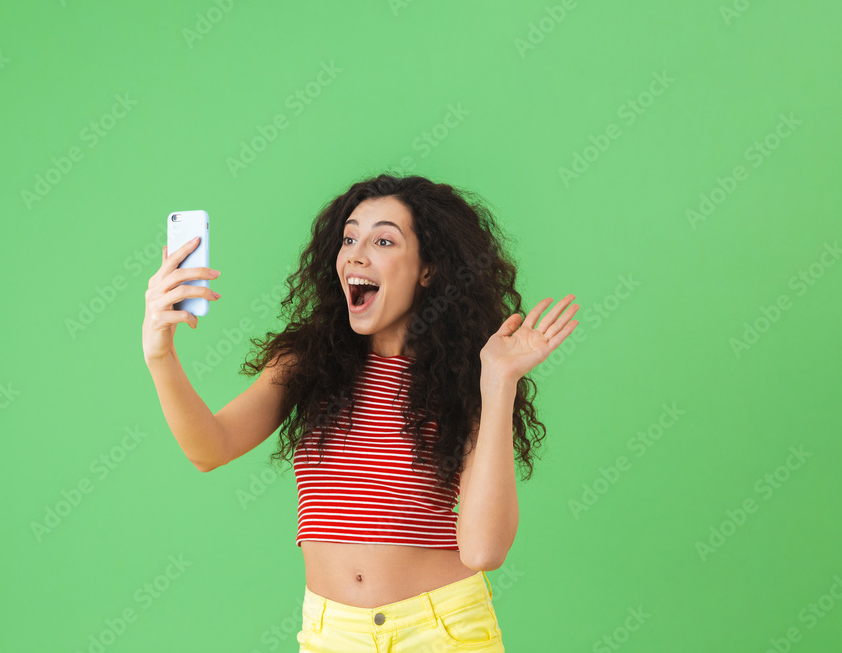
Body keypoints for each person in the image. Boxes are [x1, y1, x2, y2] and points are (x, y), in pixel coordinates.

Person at [142, 173, 579, 652]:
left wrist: (498, 384)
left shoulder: (466, 380)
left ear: (428, 268)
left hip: (441, 630)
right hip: (331, 635)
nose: (355, 253)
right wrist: (159, 354)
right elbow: (210, 447)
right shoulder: (308, 363)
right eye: (349, 238)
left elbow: (483, 550)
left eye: (384, 240)